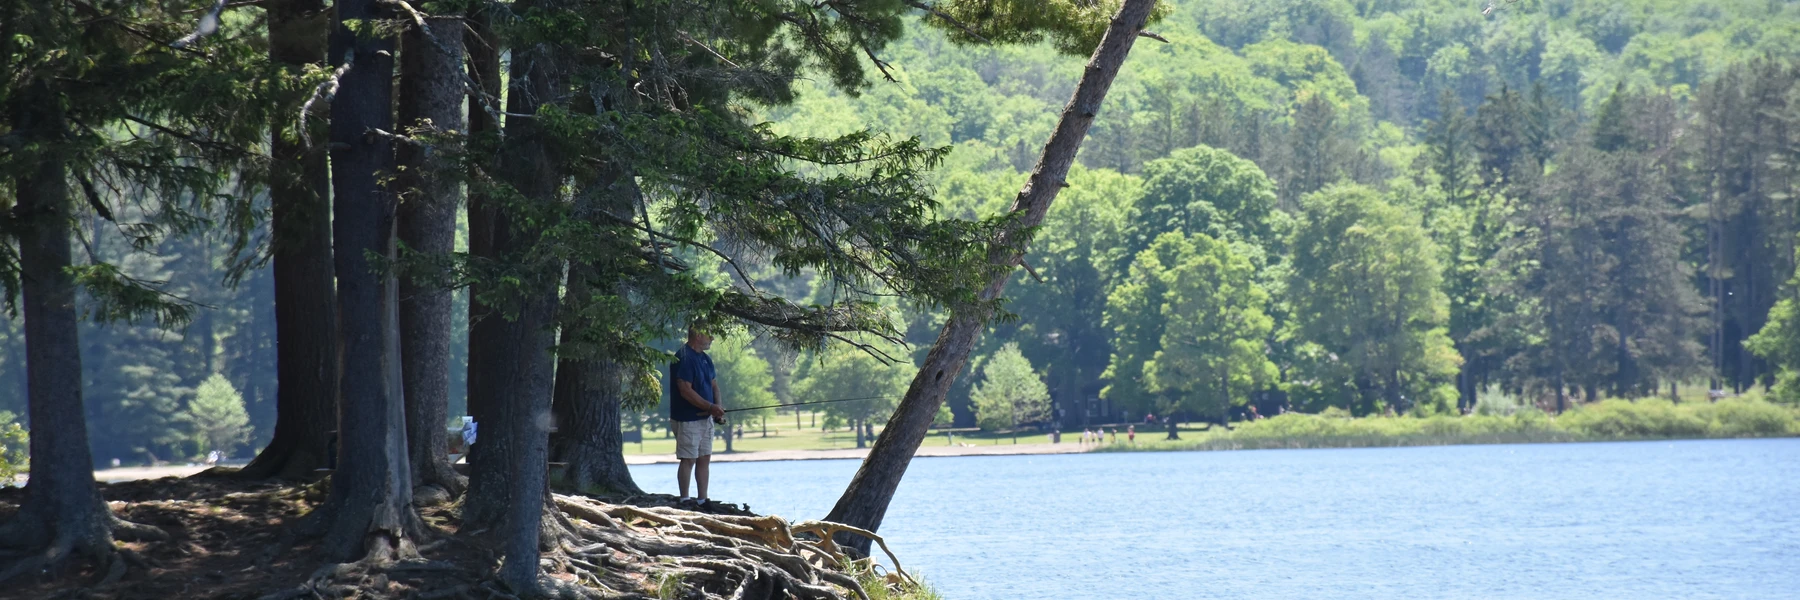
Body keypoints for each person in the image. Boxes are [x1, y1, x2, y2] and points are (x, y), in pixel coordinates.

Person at [670, 324, 725, 507]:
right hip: (687, 419)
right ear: (698, 334)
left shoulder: (706, 359)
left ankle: (703, 500)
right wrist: (710, 406)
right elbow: (685, 390)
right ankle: (685, 499)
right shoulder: (684, 357)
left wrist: (717, 410)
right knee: (688, 459)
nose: (712, 339)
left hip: (705, 419)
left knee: (704, 458)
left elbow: (714, 386)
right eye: (709, 334)